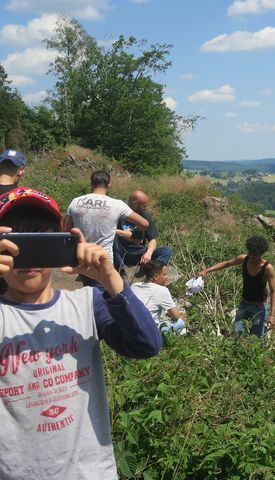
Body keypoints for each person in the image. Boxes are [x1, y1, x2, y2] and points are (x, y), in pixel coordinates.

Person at [0, 187, 162, 479]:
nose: (29, 256)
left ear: (62, 241)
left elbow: (147, 344)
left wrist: (111, 278)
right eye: (16, 241)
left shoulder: (89, 303)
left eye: (41, 239)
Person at [65, 171, 148, 286]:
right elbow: (144, 224)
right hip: (103, 259)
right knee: (102, 296)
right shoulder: (117, 204)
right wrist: (136, 234)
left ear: (91, 183)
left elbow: (66, 231)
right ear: (109, 184)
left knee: (89, 291)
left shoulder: (75, 202)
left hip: (82, 257)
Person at [197, 235, 275, 337]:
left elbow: (273, 291)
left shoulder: (267, 268)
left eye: (255, 254)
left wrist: (272, 315)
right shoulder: (244, 259)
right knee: (237, 332)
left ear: (261, 253)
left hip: (259, 308)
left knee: (256, 336)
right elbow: (226, 263)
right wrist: (206, 271)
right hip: (244, 304)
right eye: (250, 253)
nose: (251, 256)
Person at [113, 190, 172, 272]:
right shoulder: (119, 211)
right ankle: (122, 271)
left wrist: (149, 253)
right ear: (134, 204)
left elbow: (152, 239)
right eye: (143, 206)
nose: (146, 208)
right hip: (121, 250)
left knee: (166, 251)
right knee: (112, 241)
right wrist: (122, 234)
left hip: (139, 251)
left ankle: (152, 272)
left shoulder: (145, 214)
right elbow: (108, 230)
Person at [131, 260, 188, 335]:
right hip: (147, 331)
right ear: (156, 276)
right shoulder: (162, 290)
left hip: (130, 326)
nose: (167, 277)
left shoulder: (134, 286)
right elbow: (176, 316)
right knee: (180, 325)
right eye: (164, 274)